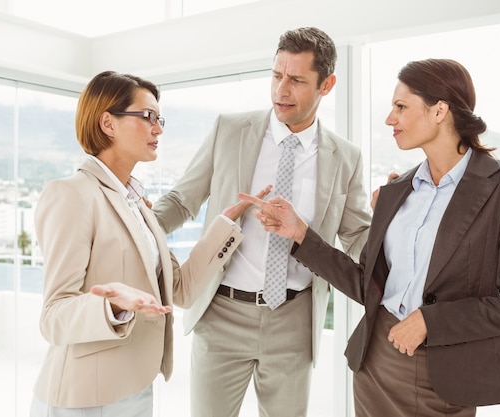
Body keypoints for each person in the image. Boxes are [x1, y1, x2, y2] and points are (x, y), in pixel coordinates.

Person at [242, 58, 500, 416]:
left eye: (401, 107)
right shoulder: (396, 191)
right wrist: (300, 234)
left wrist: (431, 322)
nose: (390, 119)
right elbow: (366, 285)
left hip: (444, 375)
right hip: (375, 363)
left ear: (440, 111)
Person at [153, 27, 371, 416]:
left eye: (297, 80)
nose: (280, 90)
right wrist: (135, 230)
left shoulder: (346, 157)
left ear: (327, 84)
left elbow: (357, 236)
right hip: (221, 314)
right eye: (276, 75)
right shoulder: (229, 130)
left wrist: (395, 225)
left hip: (294, 320)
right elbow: (181, 200)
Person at [30, 70, 268, 417]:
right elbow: (53, 317)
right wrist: (113, 305)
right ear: (107, 123)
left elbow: (180, 290)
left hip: (138, 388)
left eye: (160, 119)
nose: (158, 128)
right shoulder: (72, 195)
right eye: (147, 117)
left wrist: (227, 223)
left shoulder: (138, 203)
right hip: (83, 398)